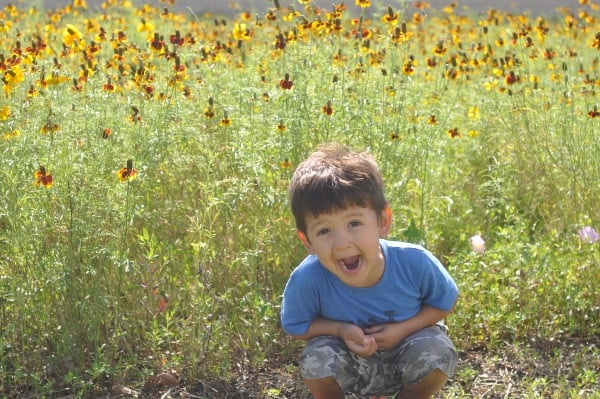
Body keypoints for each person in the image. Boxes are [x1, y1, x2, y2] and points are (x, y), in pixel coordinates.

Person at [280, 144, 459, 399]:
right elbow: (297, 326)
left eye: (354, 223)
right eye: (324, 231)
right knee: (316, 361)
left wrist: (404, 329)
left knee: (437, 351)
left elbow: (446, 301)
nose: (343, 243)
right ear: (307, 241)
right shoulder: (308, 278)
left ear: (382, 221)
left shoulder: (413, 261)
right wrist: (340, 330)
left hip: (406, 351)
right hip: (352, 364)